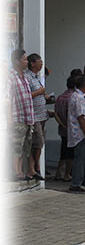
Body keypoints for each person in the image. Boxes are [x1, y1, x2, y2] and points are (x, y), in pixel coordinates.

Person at [8, 49, 35, 181]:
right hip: (17, 117)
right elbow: (7, 98)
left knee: (25, 147)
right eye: (24, 59)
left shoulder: (25, 76)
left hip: (28, 118)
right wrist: (9, 119)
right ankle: (16, 172)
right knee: (16, 146)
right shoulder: (10, 76)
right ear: (17, 61)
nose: (27, 62)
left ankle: (21, 171)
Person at [24, 53, 49, 180]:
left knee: (38, 144)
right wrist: (39, 92)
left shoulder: (37, 77)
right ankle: (33, 168)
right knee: (38, 142)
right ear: (32, 63)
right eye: (39, 61)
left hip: (41, 114)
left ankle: (35, 167)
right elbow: (26, 95)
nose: (41, 63)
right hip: (34, 116)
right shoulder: (27, 77)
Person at [53, 74, 77, 181]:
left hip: (62, 129)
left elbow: (55, 113)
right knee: (70, 153)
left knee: (63, 151)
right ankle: (67, 174)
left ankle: (59, 172)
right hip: (72, 130)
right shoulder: (73, 98)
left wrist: (62, 124)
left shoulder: (60, 97)